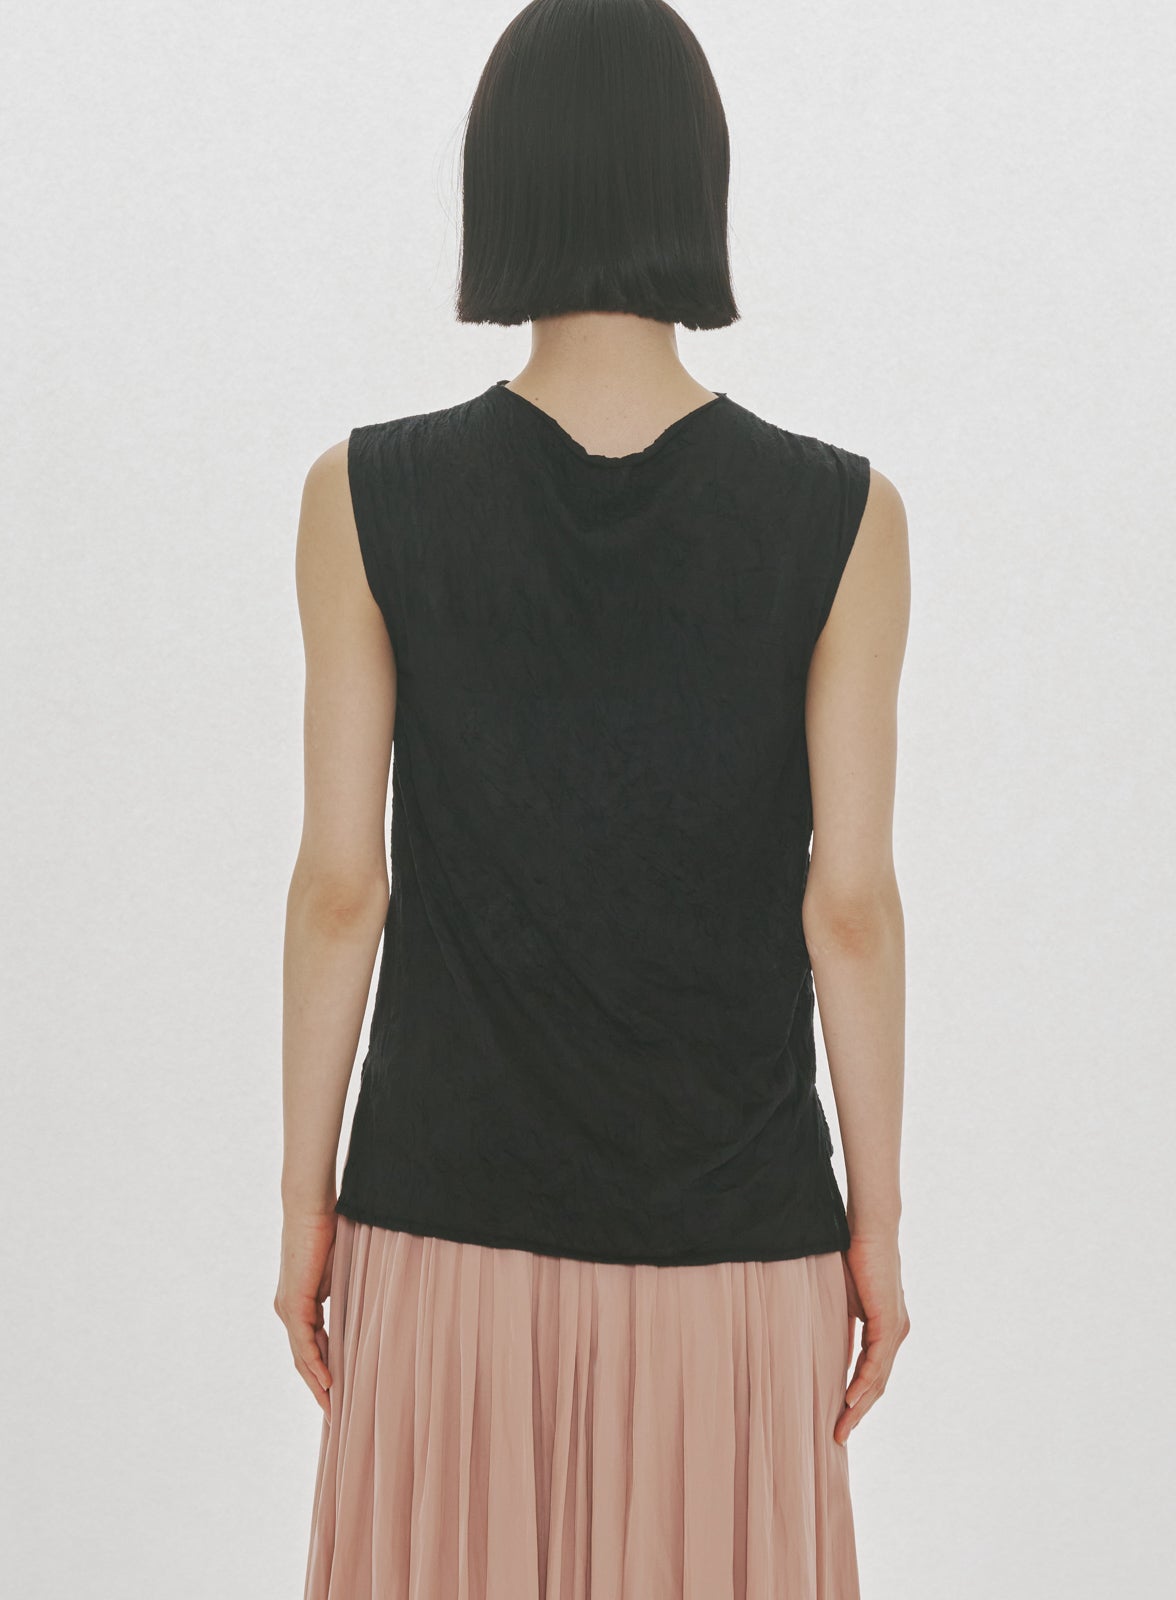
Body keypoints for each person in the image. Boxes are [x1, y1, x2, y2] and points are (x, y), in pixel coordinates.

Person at [275, 2, 911, 1595]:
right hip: (737, 1251)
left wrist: (304, 1207)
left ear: (500, 187)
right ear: (698, 186)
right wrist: (878, 1229)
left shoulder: (363, 498)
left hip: (442, 1231)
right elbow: (848, 907)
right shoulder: (843, 518)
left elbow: (343, 885)